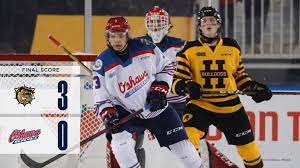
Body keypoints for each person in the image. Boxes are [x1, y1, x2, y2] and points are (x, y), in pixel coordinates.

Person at [93, 16, 202, 168]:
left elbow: (166, 67)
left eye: (121, 35)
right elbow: (101, 97)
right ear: (108, 37)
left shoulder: (145, 46)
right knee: (120, 144)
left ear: (127, 35)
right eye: (113, 36)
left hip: (155, 107)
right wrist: (108, 115)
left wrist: (160, 90)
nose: (117, 40)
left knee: (184, 149)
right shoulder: (102, 62)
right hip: (126, 111)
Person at [172, 6, 272, 168]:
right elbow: (176, 81)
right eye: (204, 21)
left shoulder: (231, 47)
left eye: (212, 20)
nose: (208, 24)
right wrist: (187, 86)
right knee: (188, 139)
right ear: (199, 26)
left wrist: (254, 88)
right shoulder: (188, 49)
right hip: (200, 104)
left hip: (230, 106)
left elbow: (240, 77)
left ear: (219, 24)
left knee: (250, 151)